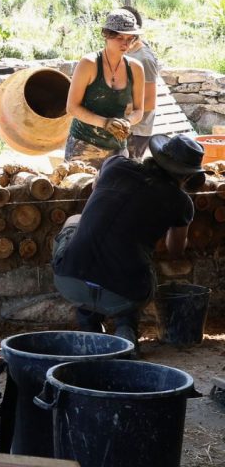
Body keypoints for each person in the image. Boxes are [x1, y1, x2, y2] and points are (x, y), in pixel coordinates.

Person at [51, 133, 204, 352]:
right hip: (125, 293)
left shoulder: (115, 164)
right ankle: (126, 326)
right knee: (139, 262)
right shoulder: (181, 202)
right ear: (187, 176)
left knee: (75, 221)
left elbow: (97, 191)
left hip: (69, 279)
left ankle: (88, 322)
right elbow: (175, 250)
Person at [65, 8, 145, 168]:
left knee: (117, 191)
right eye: (120, 37)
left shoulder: (136, 68)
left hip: (117, 148)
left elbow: (139, 111)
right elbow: (72, 107)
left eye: (130, 38)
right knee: (80, 190)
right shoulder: (89, 64)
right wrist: (105, 123)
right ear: (107, 35)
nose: (125, 43)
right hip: (84, 144)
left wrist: (126, 122)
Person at [122, 5, 159, 160]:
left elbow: (149, 102)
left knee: (129, 176)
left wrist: (122, 112)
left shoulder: (144, 58)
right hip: (124, 126)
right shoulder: (126, 52)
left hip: (136, 132)